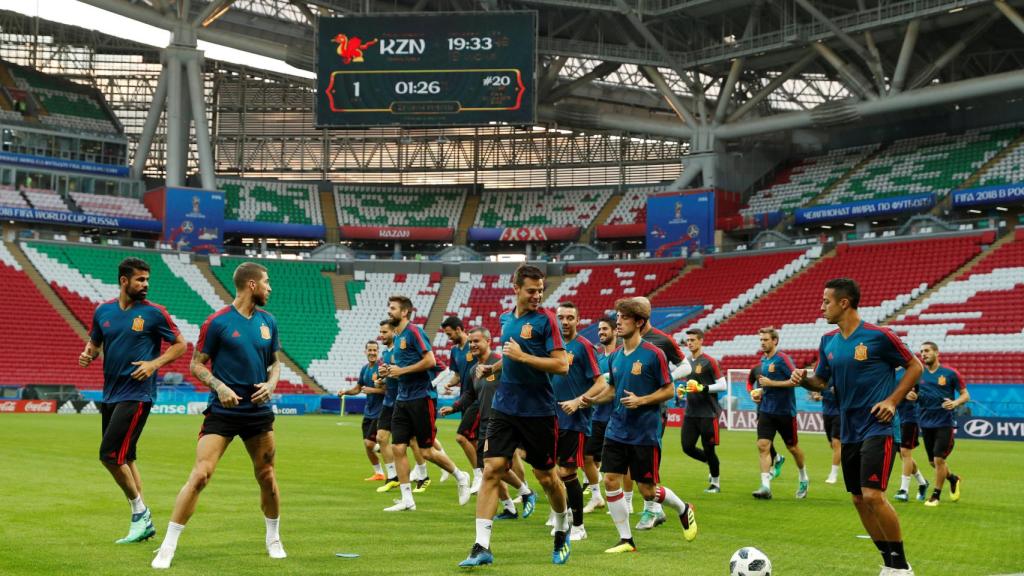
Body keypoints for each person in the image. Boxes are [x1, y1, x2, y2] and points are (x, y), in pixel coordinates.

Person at [152, 262, 287, 569]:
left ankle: (274, 537)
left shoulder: (269, 321)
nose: (270, 288)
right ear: (251, 285)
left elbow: (275, 363)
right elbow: (196, 365)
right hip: (223, 411)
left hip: (258, 411)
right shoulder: (217, 322)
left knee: (266, 476)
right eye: (266, 282)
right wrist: (219, 385)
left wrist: (271, 384)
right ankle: (168, 545)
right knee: (200, 475)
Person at [792, 278, 922, 576]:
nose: (821, 306)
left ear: (844, 303)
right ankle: (889, 564)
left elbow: (914, 366)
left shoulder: (879, 336)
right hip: (848, 428)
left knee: (874, 495)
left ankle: (902, 567)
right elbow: (822, 382)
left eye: (826, 301)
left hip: (877, 427)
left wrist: (892, 401)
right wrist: (804, 379)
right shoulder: (828, 341)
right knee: (858, 499)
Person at [459, 264, 571, 567]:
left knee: (547, 477)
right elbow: (510, 358)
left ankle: (562, 526)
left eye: (540, 290)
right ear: (516, 289)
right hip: (504, 406)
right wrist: (494, 367)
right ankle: (481, 546)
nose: (537, 295)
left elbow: (561, 365)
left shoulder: (547, 321)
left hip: (538, 411)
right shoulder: (506, 318)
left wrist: (523, 356)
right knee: (492, 468)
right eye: (531, 290)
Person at [80, 257, 186, 544]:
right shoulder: (103, 311)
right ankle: (142, 522)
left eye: (147, 280)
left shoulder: (154, 313)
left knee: (110, 455)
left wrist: (154, 364)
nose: (145, 285)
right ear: (124, 281)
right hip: (111, 393)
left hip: (138, 393)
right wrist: (88, 352)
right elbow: (96, 341)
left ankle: (141, 514)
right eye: (140, 279)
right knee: (125, 457)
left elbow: (181, 344)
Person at [580, 298, 697, 553]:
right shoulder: (616, 356)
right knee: (611, 480)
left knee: (648, 491)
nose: (618, 322)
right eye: (618, 317)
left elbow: (668, 391)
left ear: (639, 322)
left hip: (645, 431)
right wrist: (591, 400)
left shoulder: (655, 354)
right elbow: (612, 389)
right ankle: (626, 540)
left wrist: (642, 400)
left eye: (623, 318)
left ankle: (683, 508)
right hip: (617, 428)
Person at [379, 296, 470, 512]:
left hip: (421, 398)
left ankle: (461, 475)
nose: (389, 311)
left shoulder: (414, 331)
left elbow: (429, 361)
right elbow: (401, 366)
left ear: (405, 312)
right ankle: (407, 499)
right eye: (389, 307)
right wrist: (388, 371)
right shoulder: (398, 336)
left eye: (392, 308)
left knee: (427, 451)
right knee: (397, 447)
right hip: (402, 398)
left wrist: (401, 371)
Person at [440, 328, 536, 520]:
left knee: (494, 466)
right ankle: (511, 507)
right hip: (486, 423)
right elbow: (470, 395)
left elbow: (520, 386)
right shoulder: (475, 370)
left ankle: (526, 493)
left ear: (488, 341)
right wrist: (454, 407)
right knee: (488, 468)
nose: (473, 345)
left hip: (503, 422)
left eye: (477, 341)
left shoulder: (501, 364)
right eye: (471, 342)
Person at [550, 301, 603, 542]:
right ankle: (560, 516)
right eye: (561, 317)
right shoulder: (551, 347)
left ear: (577, 320)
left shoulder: (584, 346)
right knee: (551, 471)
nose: (565, 322)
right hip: (551, 418)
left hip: (574, 419)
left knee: (567, 471)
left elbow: (601, 383)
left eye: (570, 317)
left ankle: (579, 525)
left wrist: (578, 401)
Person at [633, 296, 685, 528]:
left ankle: (653, 509)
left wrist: (667, 379)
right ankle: (653, 507)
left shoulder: (662, 340)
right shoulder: (626, 338)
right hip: (628, 408)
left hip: (653, 408)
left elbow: (686, 365)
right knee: (633, 461)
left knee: (646, 460)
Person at [749, 327, 810, 500]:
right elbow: (766, 385)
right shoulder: (763, 360)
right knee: (762, 445)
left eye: (765, 340)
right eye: (761, 340)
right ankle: (765, 487)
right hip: (766, 410)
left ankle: (803, 478)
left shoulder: (783, 358)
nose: (762, 343)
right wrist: (760, 392)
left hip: (784, 412)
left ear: (775, 341)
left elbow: (797, 381)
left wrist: (771, 384)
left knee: (792, 448)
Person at [916, 341, 969, 507]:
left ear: (937, 352)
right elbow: (913, 392)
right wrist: (911, 395)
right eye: (921, 351)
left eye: (927, 351)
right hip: (925, 422)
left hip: (944, 423)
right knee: (934, 462)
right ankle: (953, 479)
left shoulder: (950, 373)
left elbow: (965, 395)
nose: (923, 354)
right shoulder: (918, 373)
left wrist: (955, 403)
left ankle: (935, 496)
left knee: (938, 459)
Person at [677, 328, 726, 494]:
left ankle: (716, 483)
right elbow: (691, 385)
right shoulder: (686, 363)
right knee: (687, 447)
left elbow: (722, 385)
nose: (689, 343)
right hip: (691, 413)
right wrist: (683, 390)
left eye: (692, 340)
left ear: (701, 341)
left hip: (708, 413)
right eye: (688, 340)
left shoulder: (709, 361)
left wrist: (702, 388)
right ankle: (711, 463)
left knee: (709, 448)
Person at [440, 316, 482, 492]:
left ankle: (478, 474)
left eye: (450, 334)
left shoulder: (474, 347)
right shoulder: (455, 351)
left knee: (462, 437)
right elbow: (457, 374)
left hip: (478, 398)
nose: (448, 338)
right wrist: (450, 383)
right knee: (475, 440)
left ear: (458, 329)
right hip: (466, 398)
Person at [582, 315, 618, 513]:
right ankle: (596, 496)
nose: (601, 333)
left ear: (615, 331)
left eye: (605, 329)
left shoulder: (621, 355)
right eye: (599, 330)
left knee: (618, 464)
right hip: (597, 416)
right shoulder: (598, 358)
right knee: (586, 456)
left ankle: (626, 502)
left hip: (617, 417)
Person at [341, 340, 386, 481]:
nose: (372, 353)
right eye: (370, 350)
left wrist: (372, 389)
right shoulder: (365, 369)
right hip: (368, 411)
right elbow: (358, 388)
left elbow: (388, 390)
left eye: (375, 350)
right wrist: (345, 392)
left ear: (378, 352)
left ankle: (390, 455)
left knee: (370, 443)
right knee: (367, 445)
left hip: (381, 410)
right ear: (365, 352)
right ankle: (379, 473)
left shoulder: (382, 368)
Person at [892, 367, 930, 503]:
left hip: (909, 418)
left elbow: (924, 394)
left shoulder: (911, 370)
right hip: (893, 417)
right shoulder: (887, 370)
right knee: (903, 455)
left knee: (905, 452)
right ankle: (922, 482)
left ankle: (904, 490)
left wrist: (916, 396)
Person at [747, 365, 785, 480]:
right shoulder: (756, 369)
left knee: (791, 445)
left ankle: (777, 459)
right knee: (763, 440)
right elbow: (749, 383)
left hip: (779, 408)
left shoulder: (779, 366)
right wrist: (752, 392)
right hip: (762, 408)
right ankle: (775, 461)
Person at [810, 382, 842, 484]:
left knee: (836, 443)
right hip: (827, 413)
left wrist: (840, 392)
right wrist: (815, 395)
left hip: (840, 413)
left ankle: (833, 474)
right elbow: (815, 386)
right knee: (833, 445)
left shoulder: (841, 372)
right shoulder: (824, 373)